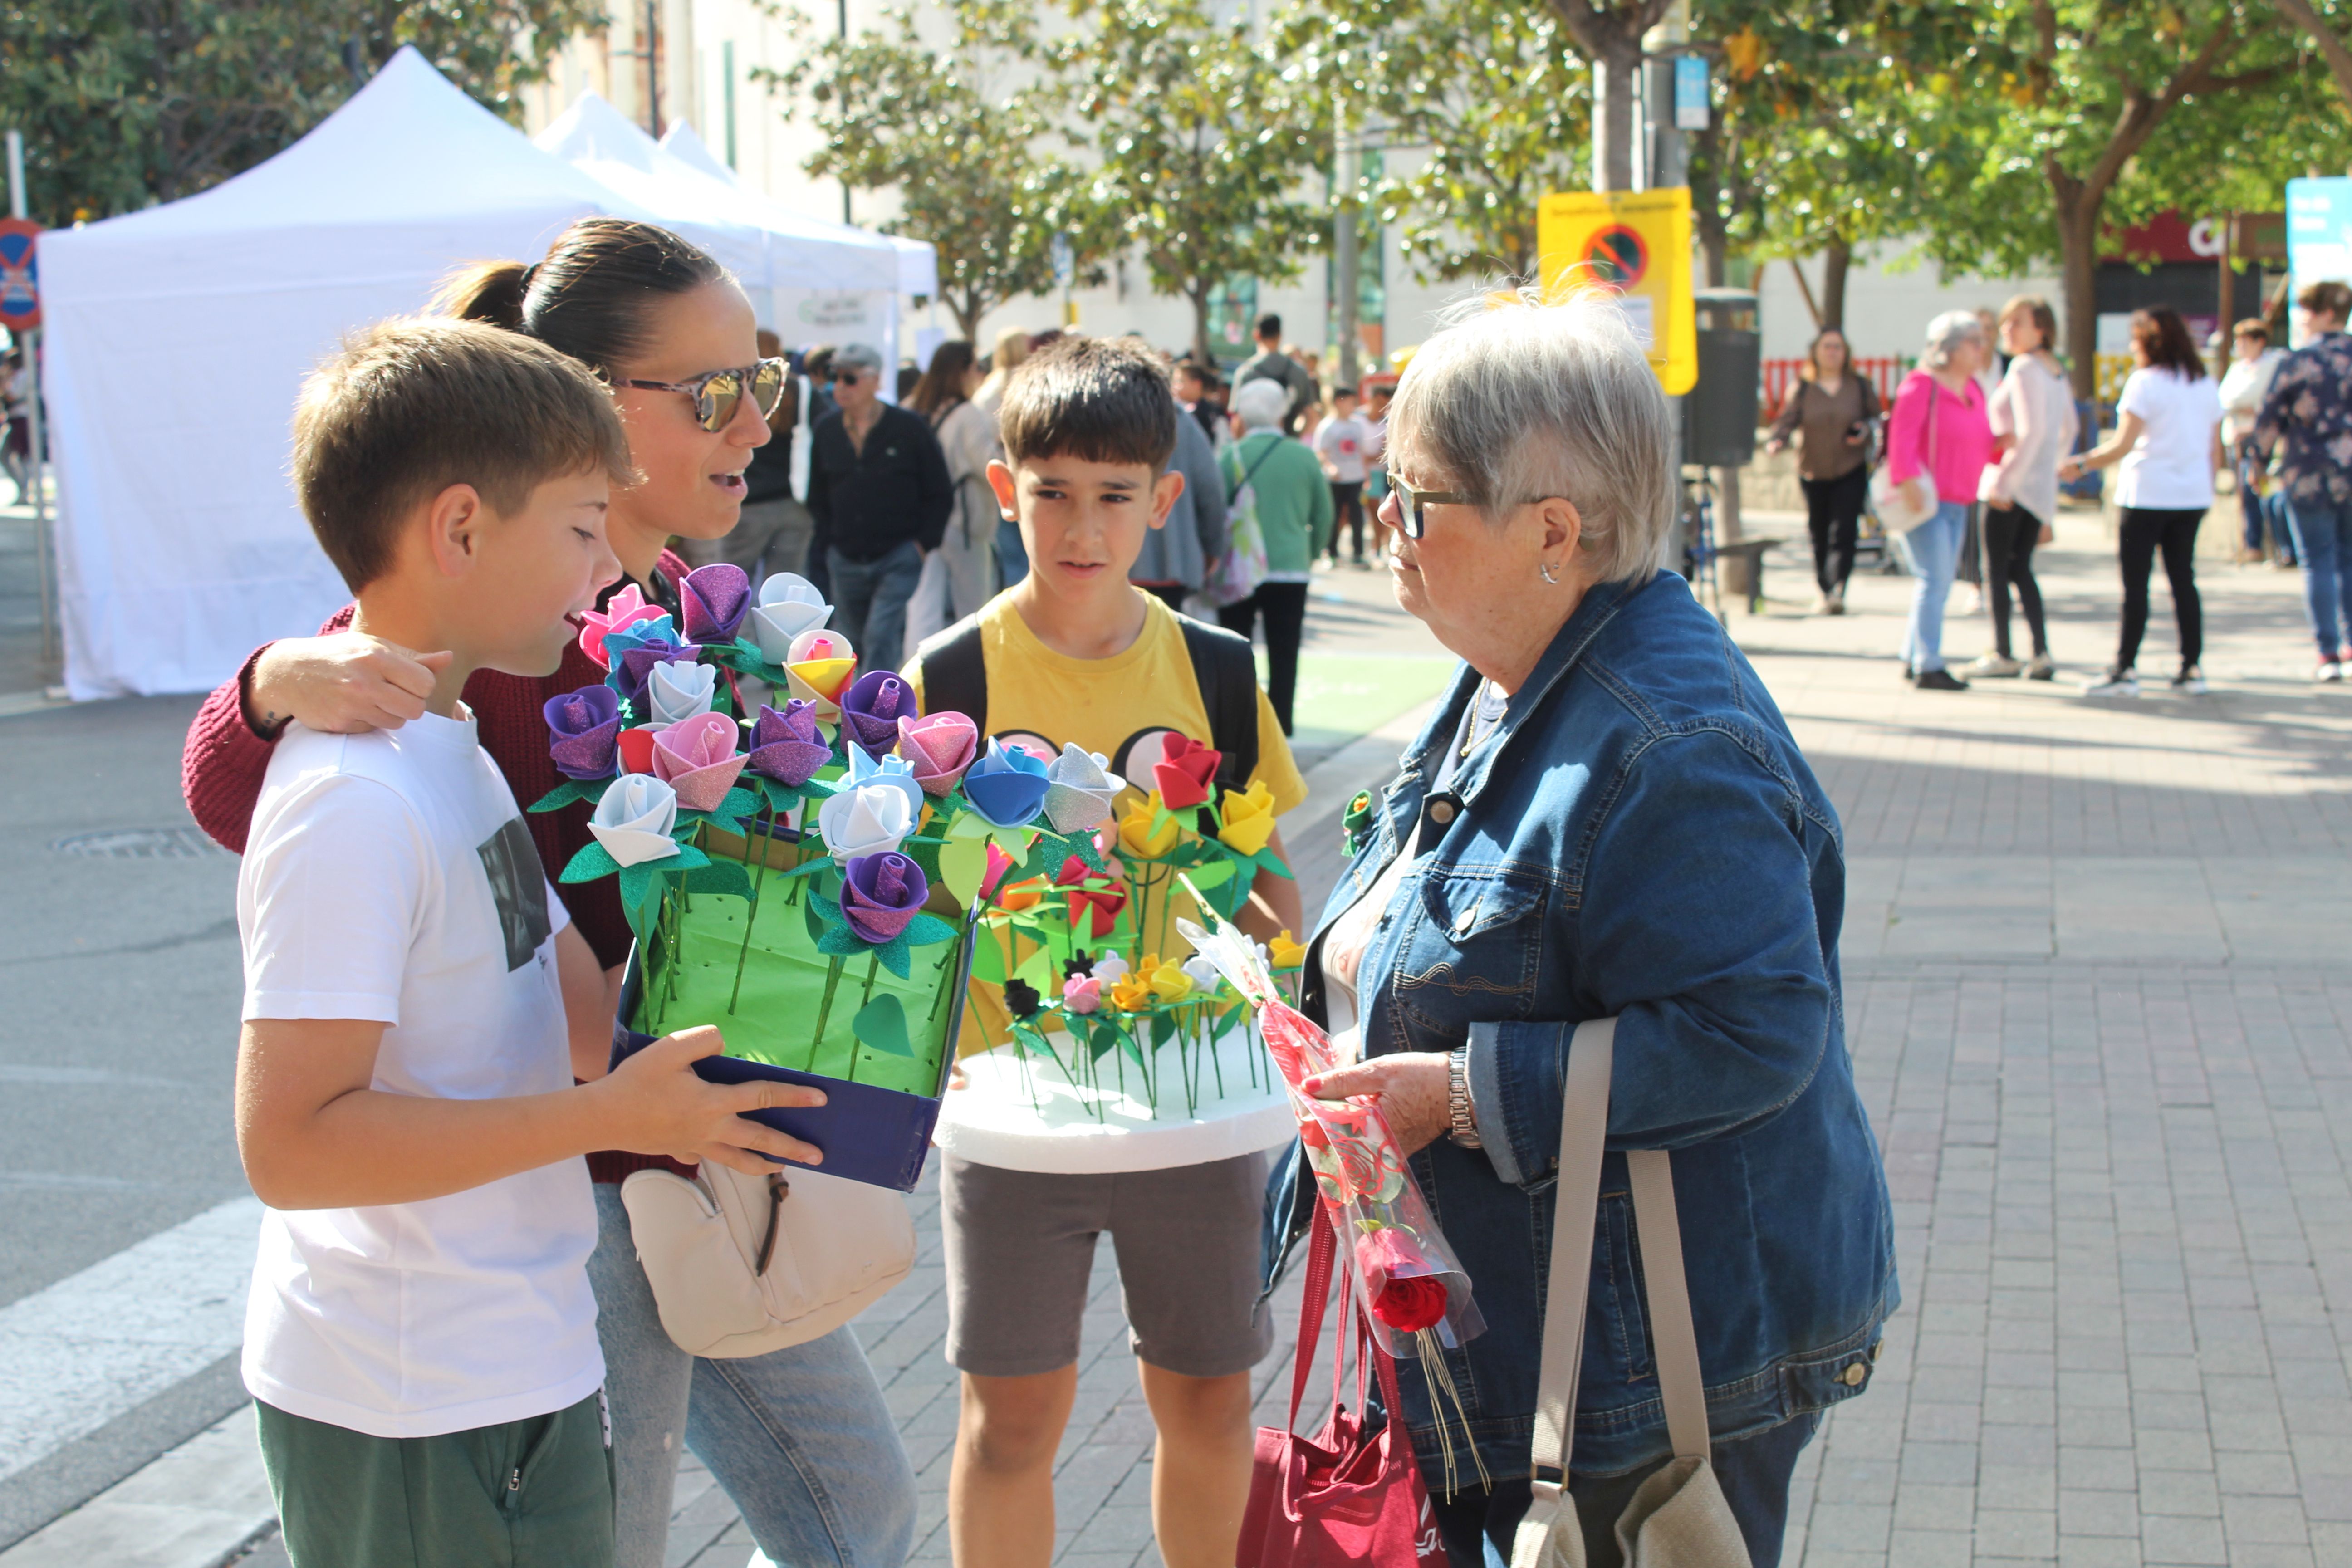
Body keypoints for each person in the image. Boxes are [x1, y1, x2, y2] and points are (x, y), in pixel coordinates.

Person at [178, 219, 919, 1568]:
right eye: (711, 392)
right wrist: (271, 685)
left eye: (764, 383)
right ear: (588, 400)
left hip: (665, 1138)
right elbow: (268, 794)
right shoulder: (480, 640)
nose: (751, 419)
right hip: (546, 1204)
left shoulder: (696, 610)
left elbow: (634, 944)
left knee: (857, 1506)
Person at [1275, 286, 1893, 1568]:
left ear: (1552, 530)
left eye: (1418, 496)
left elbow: (1752, 1035)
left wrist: (1451, 1091)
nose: (1384, 522)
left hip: (1653, 1361)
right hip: (1551, 1338)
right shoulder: (1515, 670)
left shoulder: (1672, 743)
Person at [901, 336, 1307, 1568]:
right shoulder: (951, 678)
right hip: (1010, 1110)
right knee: (1013, 1416)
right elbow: (910, 908)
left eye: (1115, 495)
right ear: (1002, 487)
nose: (1083, 525)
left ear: (1164, 501)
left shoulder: (1221, 672)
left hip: (1187, 1101)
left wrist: (1261, 948)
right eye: (1053, 492)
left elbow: (1275, 892)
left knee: (1205, 1401)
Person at [2062, 307, 2222, 696]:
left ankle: (2125, 667)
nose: (2133, 348)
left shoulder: (2144, 383)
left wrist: (2082, 463)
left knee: (2136, 585)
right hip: (2191, 495)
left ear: (2150, 343)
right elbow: (2214, 448)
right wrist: (2207, 488)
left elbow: (2123, 444)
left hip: (2147, 494)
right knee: (2184, 580)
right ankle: (2191, 665)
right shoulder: (2203, 383)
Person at [808, 341, 955, 667]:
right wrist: (831, 542)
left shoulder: (909, 428)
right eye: (835, 378)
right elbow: (817, 494)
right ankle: (865, 704)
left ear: (875, 381)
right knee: (854, 641)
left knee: (881, 635)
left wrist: (921, 545)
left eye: (850, 379)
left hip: (897, 554)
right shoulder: (827, 429)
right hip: (845, 556)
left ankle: (877, 713)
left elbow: (940, 490)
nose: (840, 387)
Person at [1886, 312, 1997, 690]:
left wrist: (2000, 449)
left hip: (1959, 498)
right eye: (1973, 341)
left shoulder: (1975, 388)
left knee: (1935, 580)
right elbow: (1900, 439)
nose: (1981, 348)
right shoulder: (1922, 385)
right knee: (1936, 581)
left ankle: (1912, 656)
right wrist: (1907, 481)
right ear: (1950, 348)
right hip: (1926, 500)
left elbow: (1980, 437)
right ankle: (1928, 663)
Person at [1967, 295, 2075, 680]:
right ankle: (2041, 652)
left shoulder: (2025, 368)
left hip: (2008, 486)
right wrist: (2048, 470)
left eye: (2017, 323)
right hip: (2037, 487)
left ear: (2041, 328)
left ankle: (2003, 651)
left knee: (1996, 569)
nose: (2007, 330)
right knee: (2021, 570)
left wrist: (2006, 480)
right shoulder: (2054, 370)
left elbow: (2031, 432)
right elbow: (2068, 431)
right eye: (2006, 323)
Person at [1218, 378, 1333, 733]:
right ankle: (1282, 728)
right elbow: (1324, 514)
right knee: (1285, 654)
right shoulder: (1302, 456)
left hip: (1239, 570)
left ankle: (1239, 728)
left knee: (1236, 653)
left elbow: (1213, 513)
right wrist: (1309, 553)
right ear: (1283, 413)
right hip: (1291, 569)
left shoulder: (1229, 456)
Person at [2254, 280, 2352, 679]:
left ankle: (2327, 653)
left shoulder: (2298, 362)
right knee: (2348, 558)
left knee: (2317, 560)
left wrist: (2256, 465)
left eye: (2308, 310)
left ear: (2327, 313)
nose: (2303, 318)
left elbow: (2268, 419)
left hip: (2307, 471)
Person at [1763, 326, 1878, 614]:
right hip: (1812, 470)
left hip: (1850, 467)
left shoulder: (1860, 386)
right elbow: (1787, 421)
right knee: (1819, 529)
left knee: (1844, 529)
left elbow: (1876, 419)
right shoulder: (1803, 388)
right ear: (1815, 352)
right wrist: (1777, 440)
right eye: (1827, 347)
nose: (1832, 352)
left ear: (1846, 352)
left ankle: (1838, 588)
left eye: (1838, 347)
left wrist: (1864, 431)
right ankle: (1823, 588)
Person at [678, 328, 804, 589]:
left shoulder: (734, 388)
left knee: (735, 589)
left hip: (749, 497)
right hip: (789, 500)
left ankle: (742, 633)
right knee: (785, 589)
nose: (760, 433)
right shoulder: (794, 389)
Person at [909, 339, 999, 645]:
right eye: (977, 367)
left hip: (923, 520)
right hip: (963, 522)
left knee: (923, 604)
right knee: (973, 607)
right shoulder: (968, 415)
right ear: (962, 371)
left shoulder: (913, 408)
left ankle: (916, 670)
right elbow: (990, 465)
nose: (980, 374)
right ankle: (973, 673)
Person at [1130, 372, 1230, 610]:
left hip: (1106, 566)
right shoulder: (1181, 420)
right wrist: (1212, 547)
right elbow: (1211, 491)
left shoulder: (1096, 417)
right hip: (1173, 559)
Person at [2219, 318, 2288, 564]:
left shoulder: (2271, 365)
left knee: (2258, 490)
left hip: (2260, 439)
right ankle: (2253, 544)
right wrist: (2241, 406)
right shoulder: (2238, 368)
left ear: (2260, 342)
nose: (2240, 345)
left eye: (2245, 341)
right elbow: (2224, 399)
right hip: (2235, 438)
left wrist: (2250, 408)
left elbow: (2261, 400)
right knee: (2244, 490)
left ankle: (2265, 544)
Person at [975, 327, 1034, 585]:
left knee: (1012, 560)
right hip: (1031, 477)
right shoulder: (1031, 383)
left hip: (1000, 483)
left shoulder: (988, 390)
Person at [1313, 385, 1372, 566]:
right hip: (1336, 480)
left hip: (1355, 478)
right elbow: (1321, 452)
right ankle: (1330, 552)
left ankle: (1358, 553)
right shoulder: (1328, 426)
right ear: (1339, 402)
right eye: (1349, 401)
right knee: (1335, 515)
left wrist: (1366, 474)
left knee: (1357, 517)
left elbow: (1361, 451)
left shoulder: (1357, 425)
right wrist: (1331, 468)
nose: (1353, 405)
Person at [1234, 313, 1317, 433]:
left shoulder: (1246, 372)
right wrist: (1295, 438)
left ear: (1256, 335)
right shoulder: (1298, 371)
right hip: (1286, 443)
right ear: (1280, 336)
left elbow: (1238, 420)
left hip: (1256, 445)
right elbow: (1312, 416)